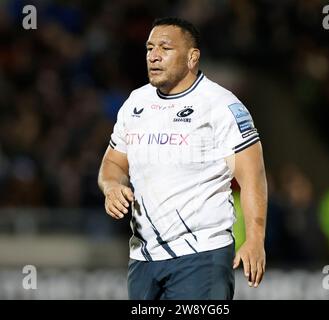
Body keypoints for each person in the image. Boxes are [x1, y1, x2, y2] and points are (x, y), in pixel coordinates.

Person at [98, 17, 268, 300]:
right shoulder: (135, 103)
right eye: (149, 48)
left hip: (201, 255)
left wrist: (255, 239)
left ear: (192, 57)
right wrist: (112, 186)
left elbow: (252, 177)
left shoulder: (221, 105)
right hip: (143, 258)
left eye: (165, 48)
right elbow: (113, 164)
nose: (153, 56)